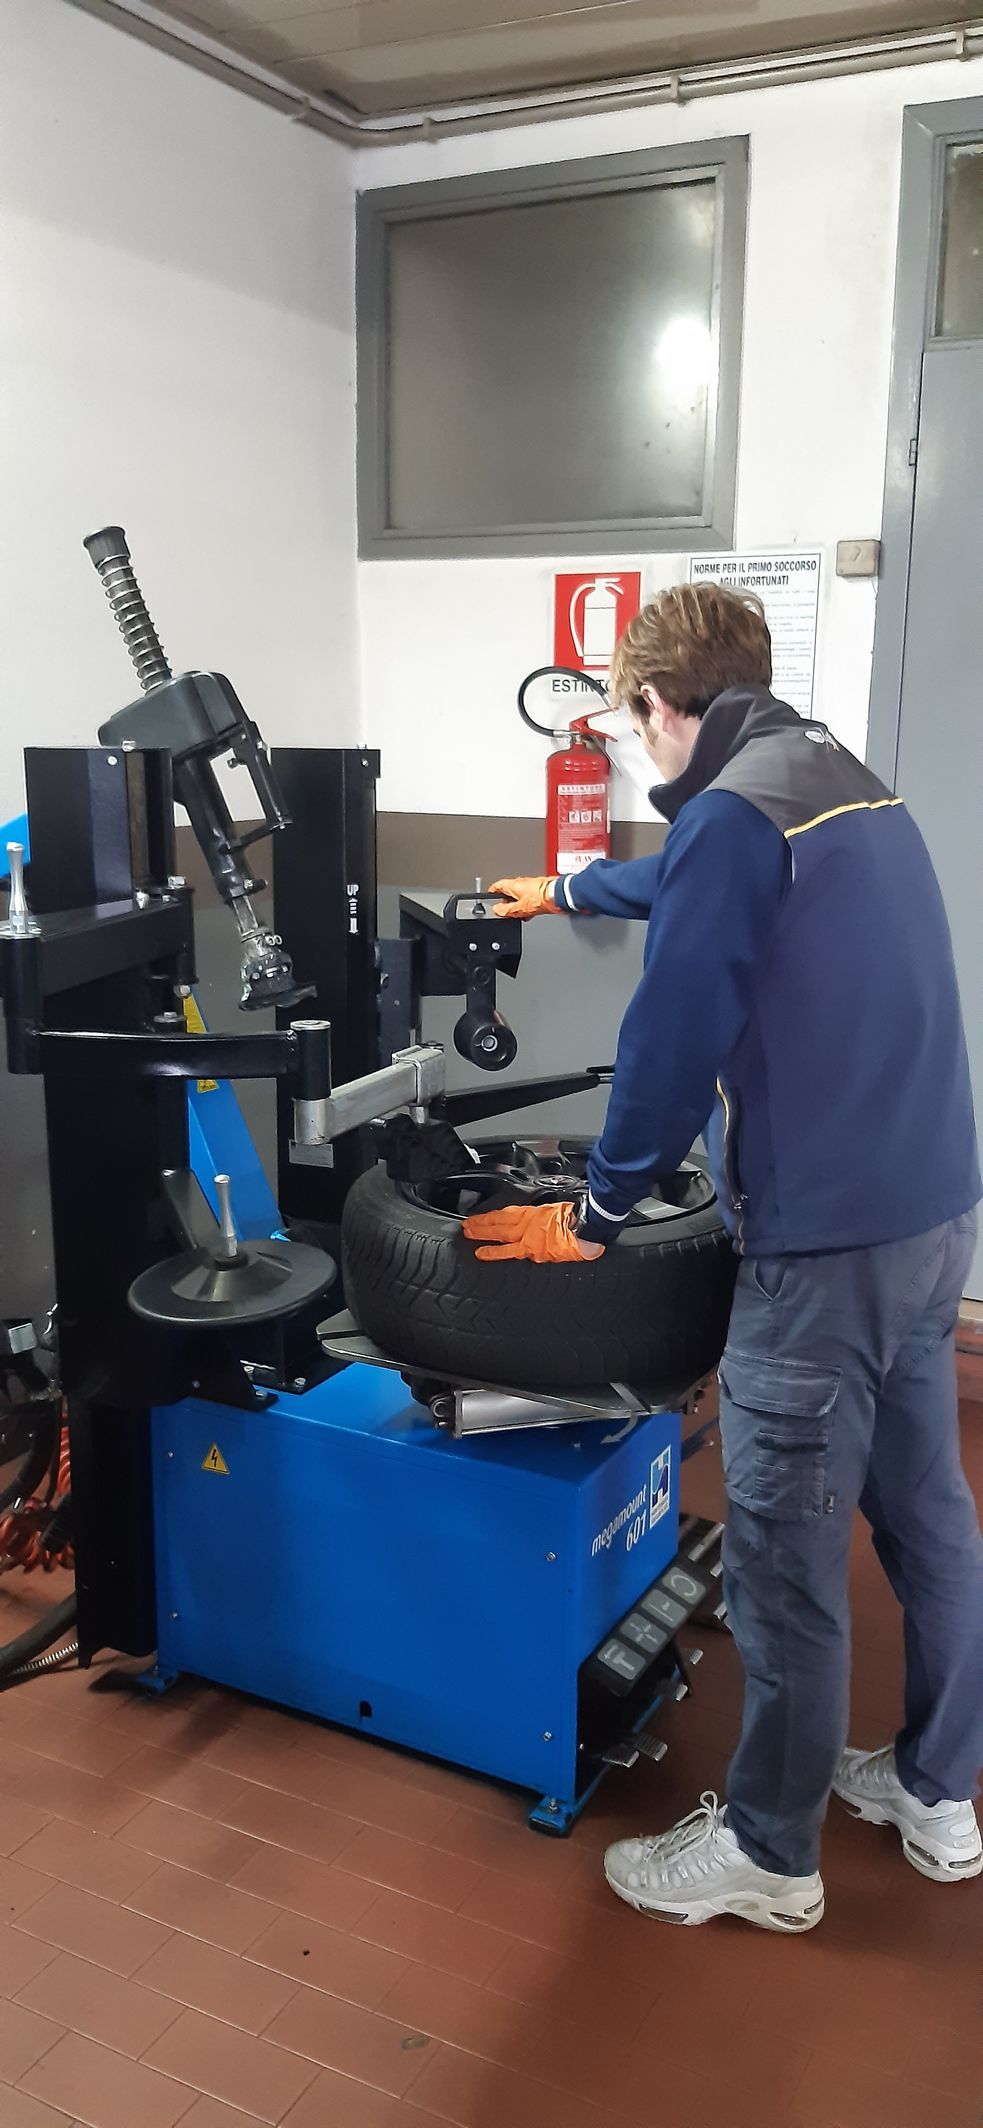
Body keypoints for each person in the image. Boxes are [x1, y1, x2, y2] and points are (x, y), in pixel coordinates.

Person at [464, 582, 983, 1932]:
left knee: (783, 1550)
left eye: (632, 727)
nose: (637, 755)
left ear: (655, 703)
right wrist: (572, 883)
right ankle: (937, 1791)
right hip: (933, 1219)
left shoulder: (736, 814)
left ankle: (770, 1852)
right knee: (928, 1514)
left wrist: (601, 1210)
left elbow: (671, 1039)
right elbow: (705, 880)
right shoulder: (834, 778)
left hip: (824, 1251)